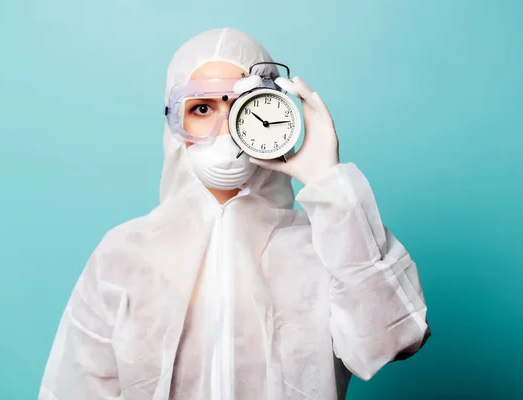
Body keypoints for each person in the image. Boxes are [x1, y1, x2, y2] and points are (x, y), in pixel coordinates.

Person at [39, 28, 430, 400]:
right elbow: (75, 389)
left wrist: (330, 184)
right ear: (176, 124)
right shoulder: (125, 254)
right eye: (202, 108)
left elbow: (395, 339)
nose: (226, 128)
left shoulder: (327, 246)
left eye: (244, 106)